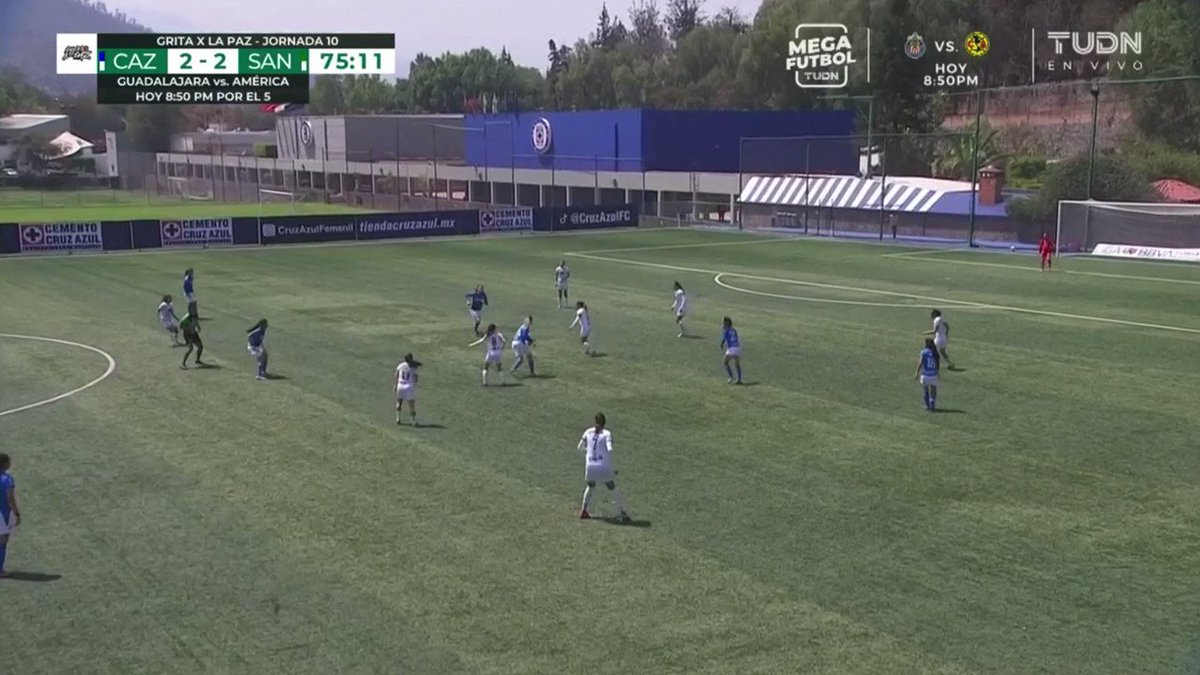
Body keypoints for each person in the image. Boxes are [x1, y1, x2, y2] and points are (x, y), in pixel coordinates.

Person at [576, 413, 631, 522]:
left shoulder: (588, 432)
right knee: (612, 487)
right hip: (603, 467)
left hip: (590, 466)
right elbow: (610, 450)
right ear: (604, 423)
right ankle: (621, 512)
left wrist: (590, 451)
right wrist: (611, 468)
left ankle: (584, 510)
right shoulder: (606, 433)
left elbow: (579, 447)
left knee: (590, 486)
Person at [0, 453, 19, 578]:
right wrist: (17, 514)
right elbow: (10, 499)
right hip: (1, 514)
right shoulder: (7, 479)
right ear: (5, 464)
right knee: (2, 541)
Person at [394, 353, 422, 426]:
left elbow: (396, 375)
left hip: (400, 385)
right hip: (408, 387)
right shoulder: (412, 368)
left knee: (399, 403)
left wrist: (395, 385)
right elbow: (415, 378)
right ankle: (413, 421)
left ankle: (398, 418)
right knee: (411, 405)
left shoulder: (400, 365)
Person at [916, 338, 941, 412]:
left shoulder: (923, 352)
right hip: (933, 375)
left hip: (925, 375)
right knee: (933, 391)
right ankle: (932, 403)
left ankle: (927, 405)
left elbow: (920, 363)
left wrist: (917, 372)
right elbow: (937, 365)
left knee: (925, 391)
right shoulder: (935, 353)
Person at [179, 303, 206, 369]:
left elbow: (196, 321)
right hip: (188, 335)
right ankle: (183, 363)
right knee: (190, 349)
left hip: (194, 334)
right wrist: (188, 329)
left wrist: (198, 327)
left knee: (200, 347)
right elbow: (181, 326)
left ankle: (197, 360)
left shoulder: (195, 315)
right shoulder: (186, 318)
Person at [721, 316, 743, 384]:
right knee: (737, 364)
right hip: (738, 348)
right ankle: (739, 379)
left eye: (724, 323)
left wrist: (721, 345)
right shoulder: (734, 330)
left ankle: (731, 377)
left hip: (732, 348)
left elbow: (724, 339)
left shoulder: (726, 330)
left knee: (725, 362)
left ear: (726, 323)